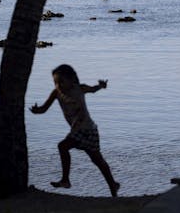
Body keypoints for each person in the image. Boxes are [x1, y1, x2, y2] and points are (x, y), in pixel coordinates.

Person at [30, 64, 119, 197]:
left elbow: (94, 89)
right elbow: (44, 108)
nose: (58, 85)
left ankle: (112, 185)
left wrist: (102, 86)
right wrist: (37, 110)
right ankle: (111, 184)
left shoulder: (79, 88)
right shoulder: (56, 93)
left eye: (61, 81)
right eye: (55, 82)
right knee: (68, 149)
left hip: (88, 130)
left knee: (96, 160)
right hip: (77, 131)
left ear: (71, 80)